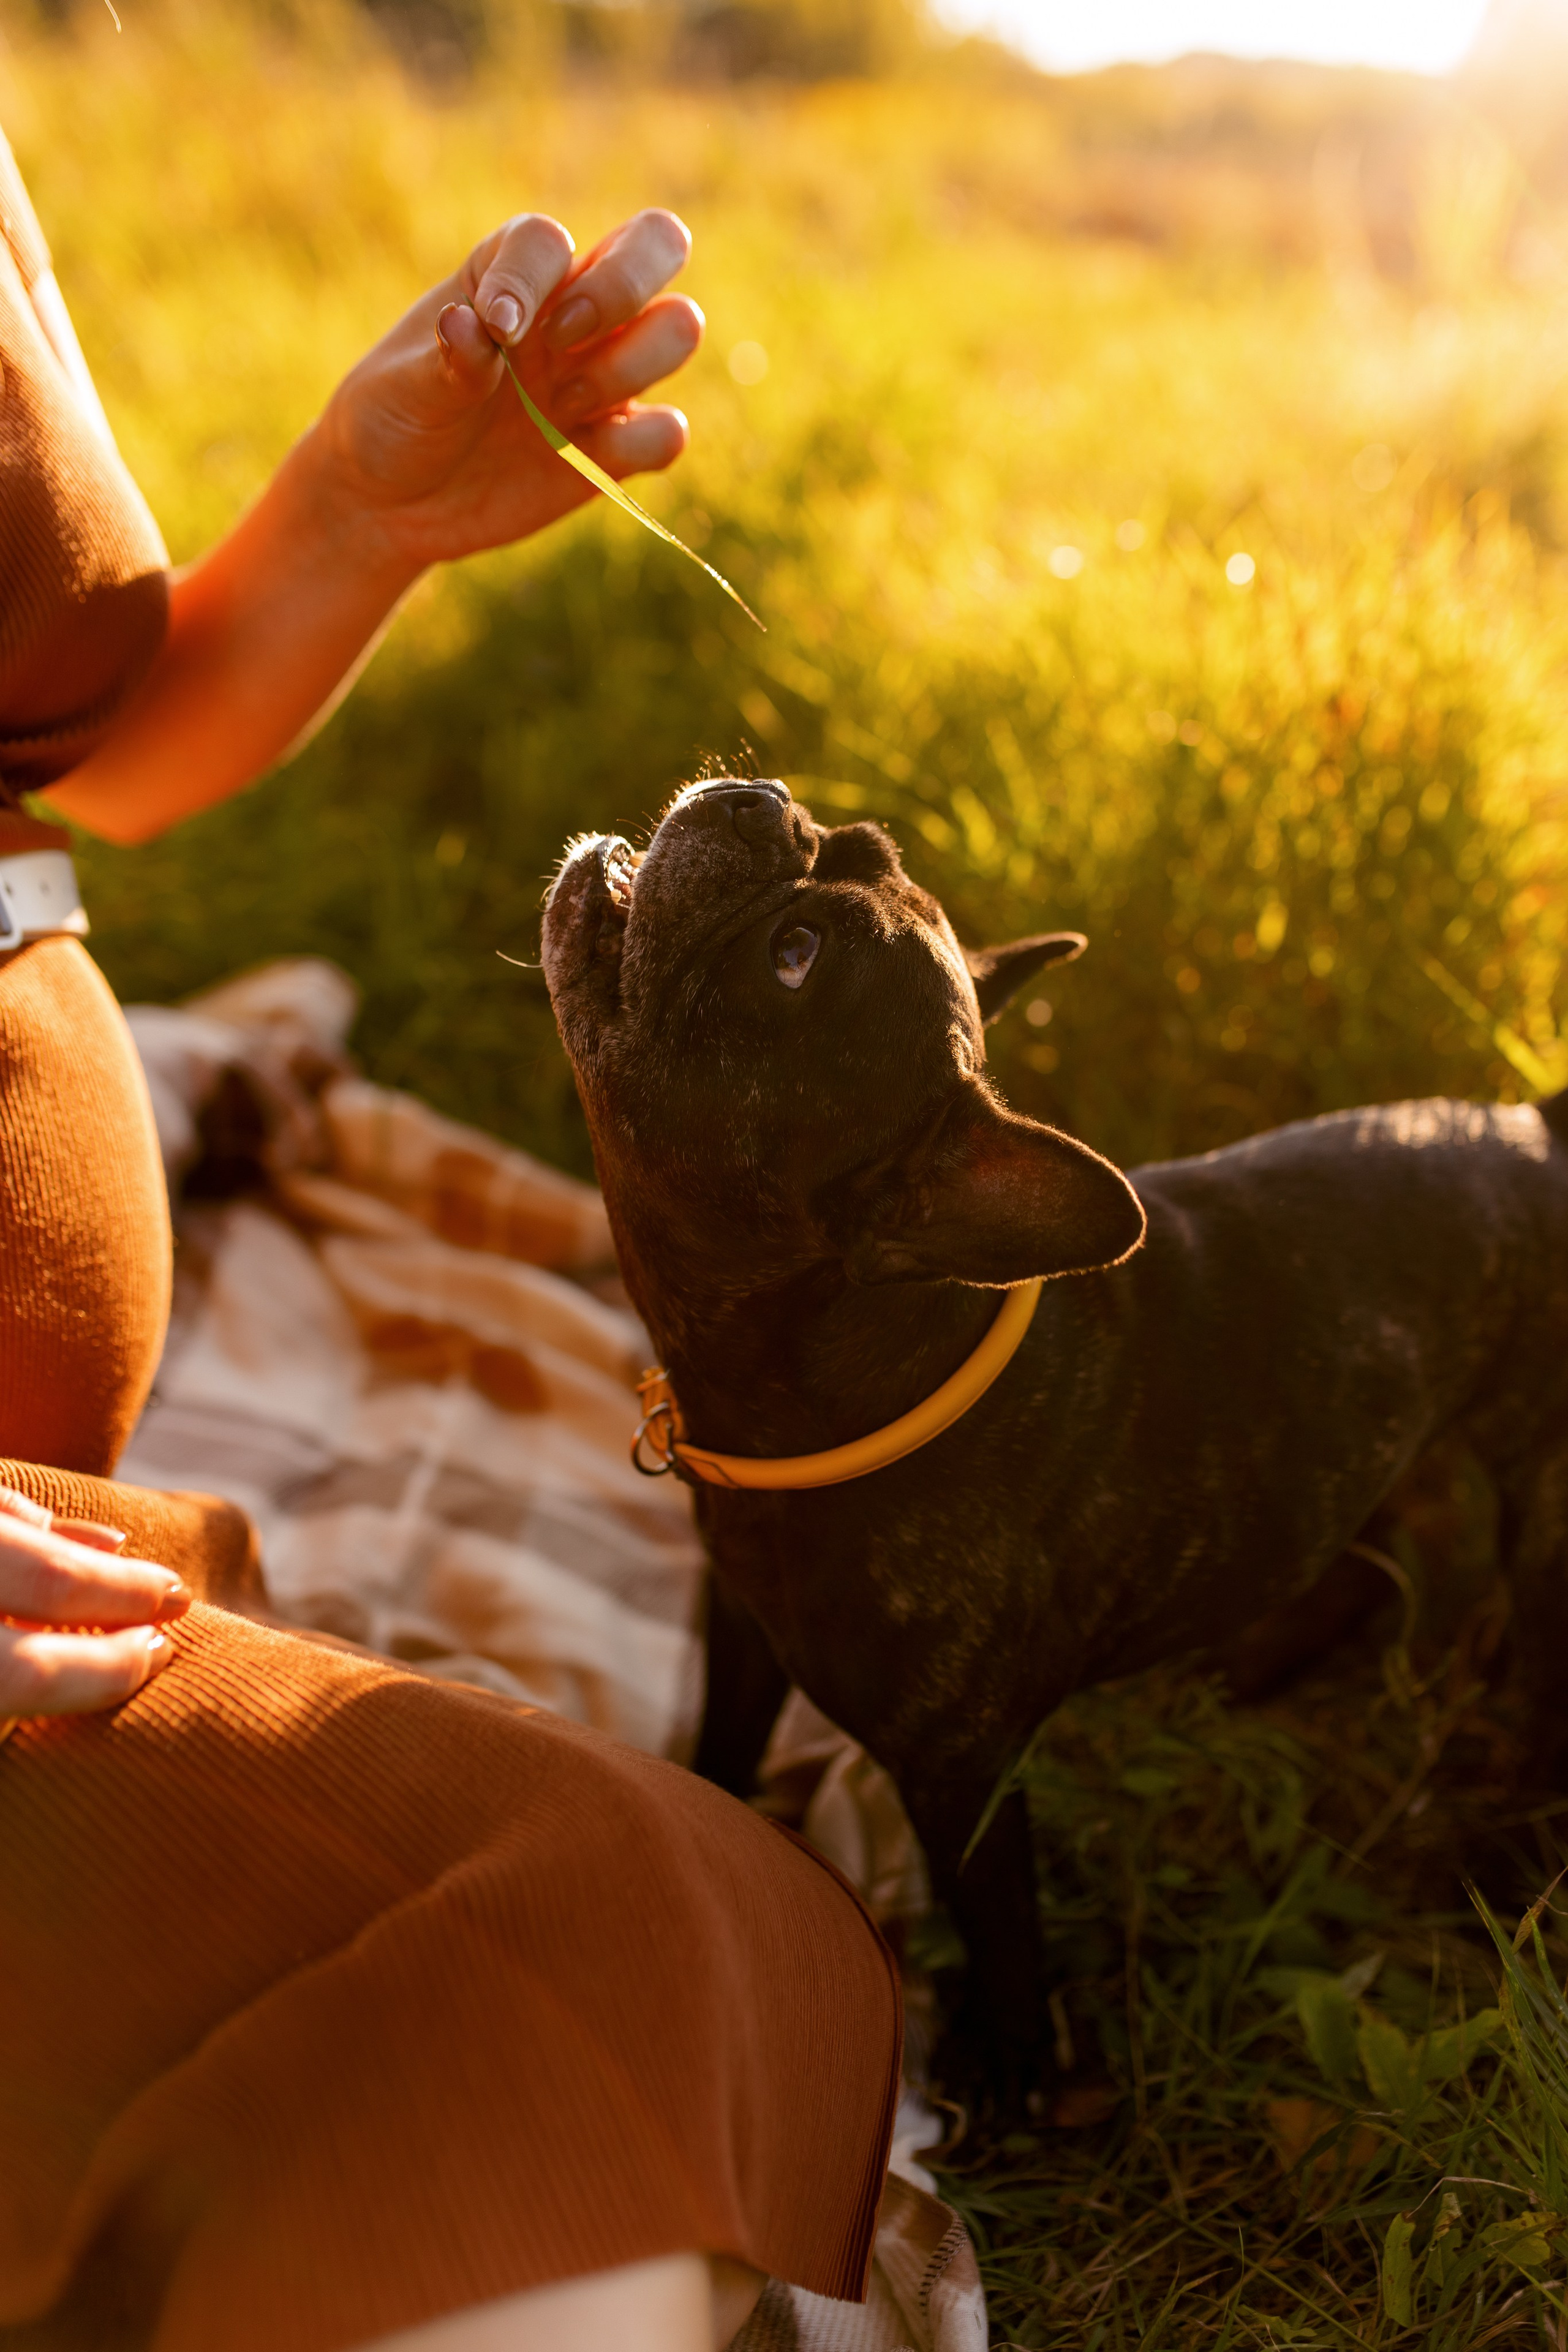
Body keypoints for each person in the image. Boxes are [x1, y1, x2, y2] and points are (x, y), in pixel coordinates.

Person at [0, 136, 899, 2352]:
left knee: (668, 1952)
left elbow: (64, 759)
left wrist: (353, 517)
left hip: (68, 1552)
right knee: (557, 2003)